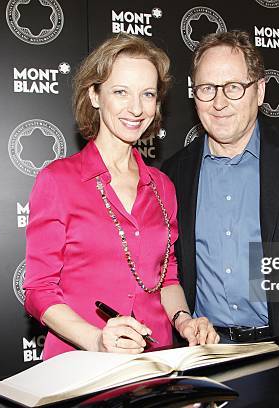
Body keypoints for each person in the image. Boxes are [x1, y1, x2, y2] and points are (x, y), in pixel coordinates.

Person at [24, 33, 218, 360]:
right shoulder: (57, 181)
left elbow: (166, 277)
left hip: (155, 364)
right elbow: (38, 291)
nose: (136, 108)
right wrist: (96, 339)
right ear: (95, 95)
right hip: (79, 368)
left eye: (147, 94)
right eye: (120, 92)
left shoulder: (163, 186)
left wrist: (184, 322)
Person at [161, 31, 279, 343]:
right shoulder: (173, 173)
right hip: (205, 352)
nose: (219, 102)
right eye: (207, 88)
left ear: (260, 91)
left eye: (234, 87)